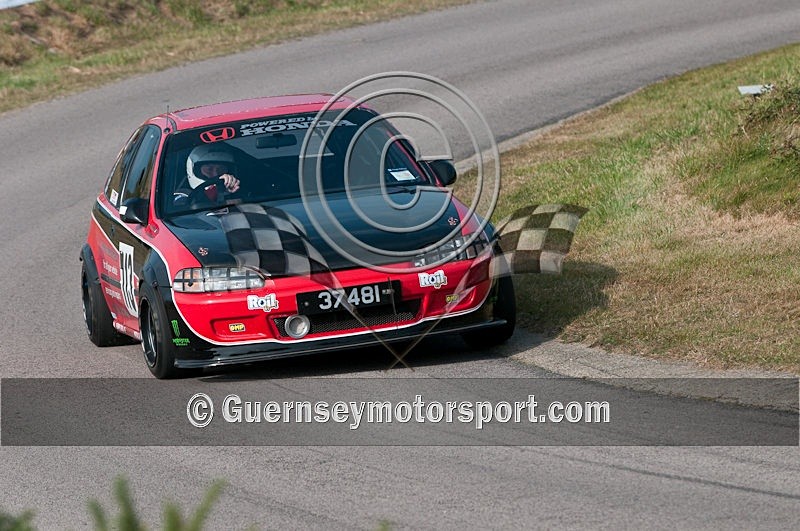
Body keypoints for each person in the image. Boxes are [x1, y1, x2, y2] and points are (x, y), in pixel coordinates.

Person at [175, 144, 241, 204]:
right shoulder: (183, 196)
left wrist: (232, 194)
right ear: (192, 169)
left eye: (221, 169)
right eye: (209, 169)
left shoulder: (232, 190)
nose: (215, 174)